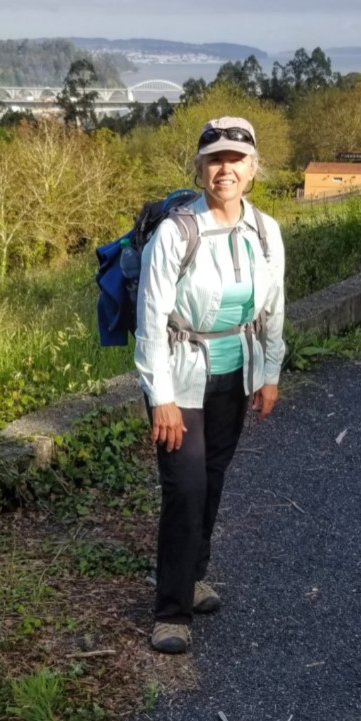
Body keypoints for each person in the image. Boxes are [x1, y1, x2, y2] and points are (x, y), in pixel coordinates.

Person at [134, 115, 286, 654]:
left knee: (213, 478)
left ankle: (193, 578)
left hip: (234, 372)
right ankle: (170, 613)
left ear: (252, 168)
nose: (225, 168)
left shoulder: (266, 231)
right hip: (180, 376)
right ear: (200, 168)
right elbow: (151, 319)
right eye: (215, 159)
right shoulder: (176, 232)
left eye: (236, 159)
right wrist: (162, 398)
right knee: (186, 488)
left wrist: (267, 374)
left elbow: (272, 310)